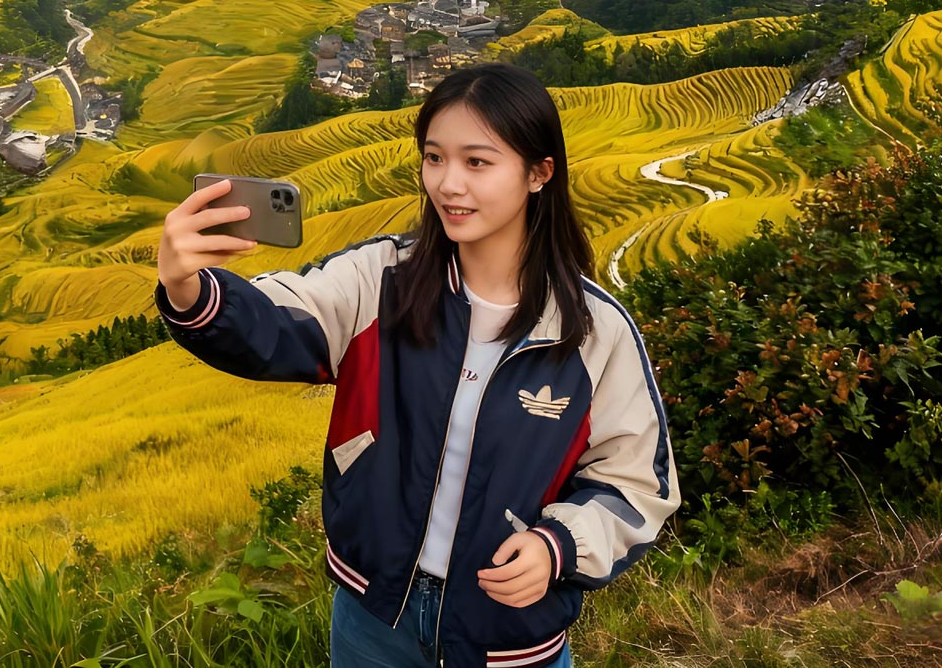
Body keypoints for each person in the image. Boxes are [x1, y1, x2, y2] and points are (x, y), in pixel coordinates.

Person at [154, 62, 679, 668]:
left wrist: (557, 546)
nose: (448, 184)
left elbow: (636, 482)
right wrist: (189, 289)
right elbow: (279, 323)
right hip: (375, 617)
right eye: (435, 158)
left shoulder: (594, 330)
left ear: (539, 173)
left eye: (477, 162)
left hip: (506, 635)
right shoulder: (382, 280)